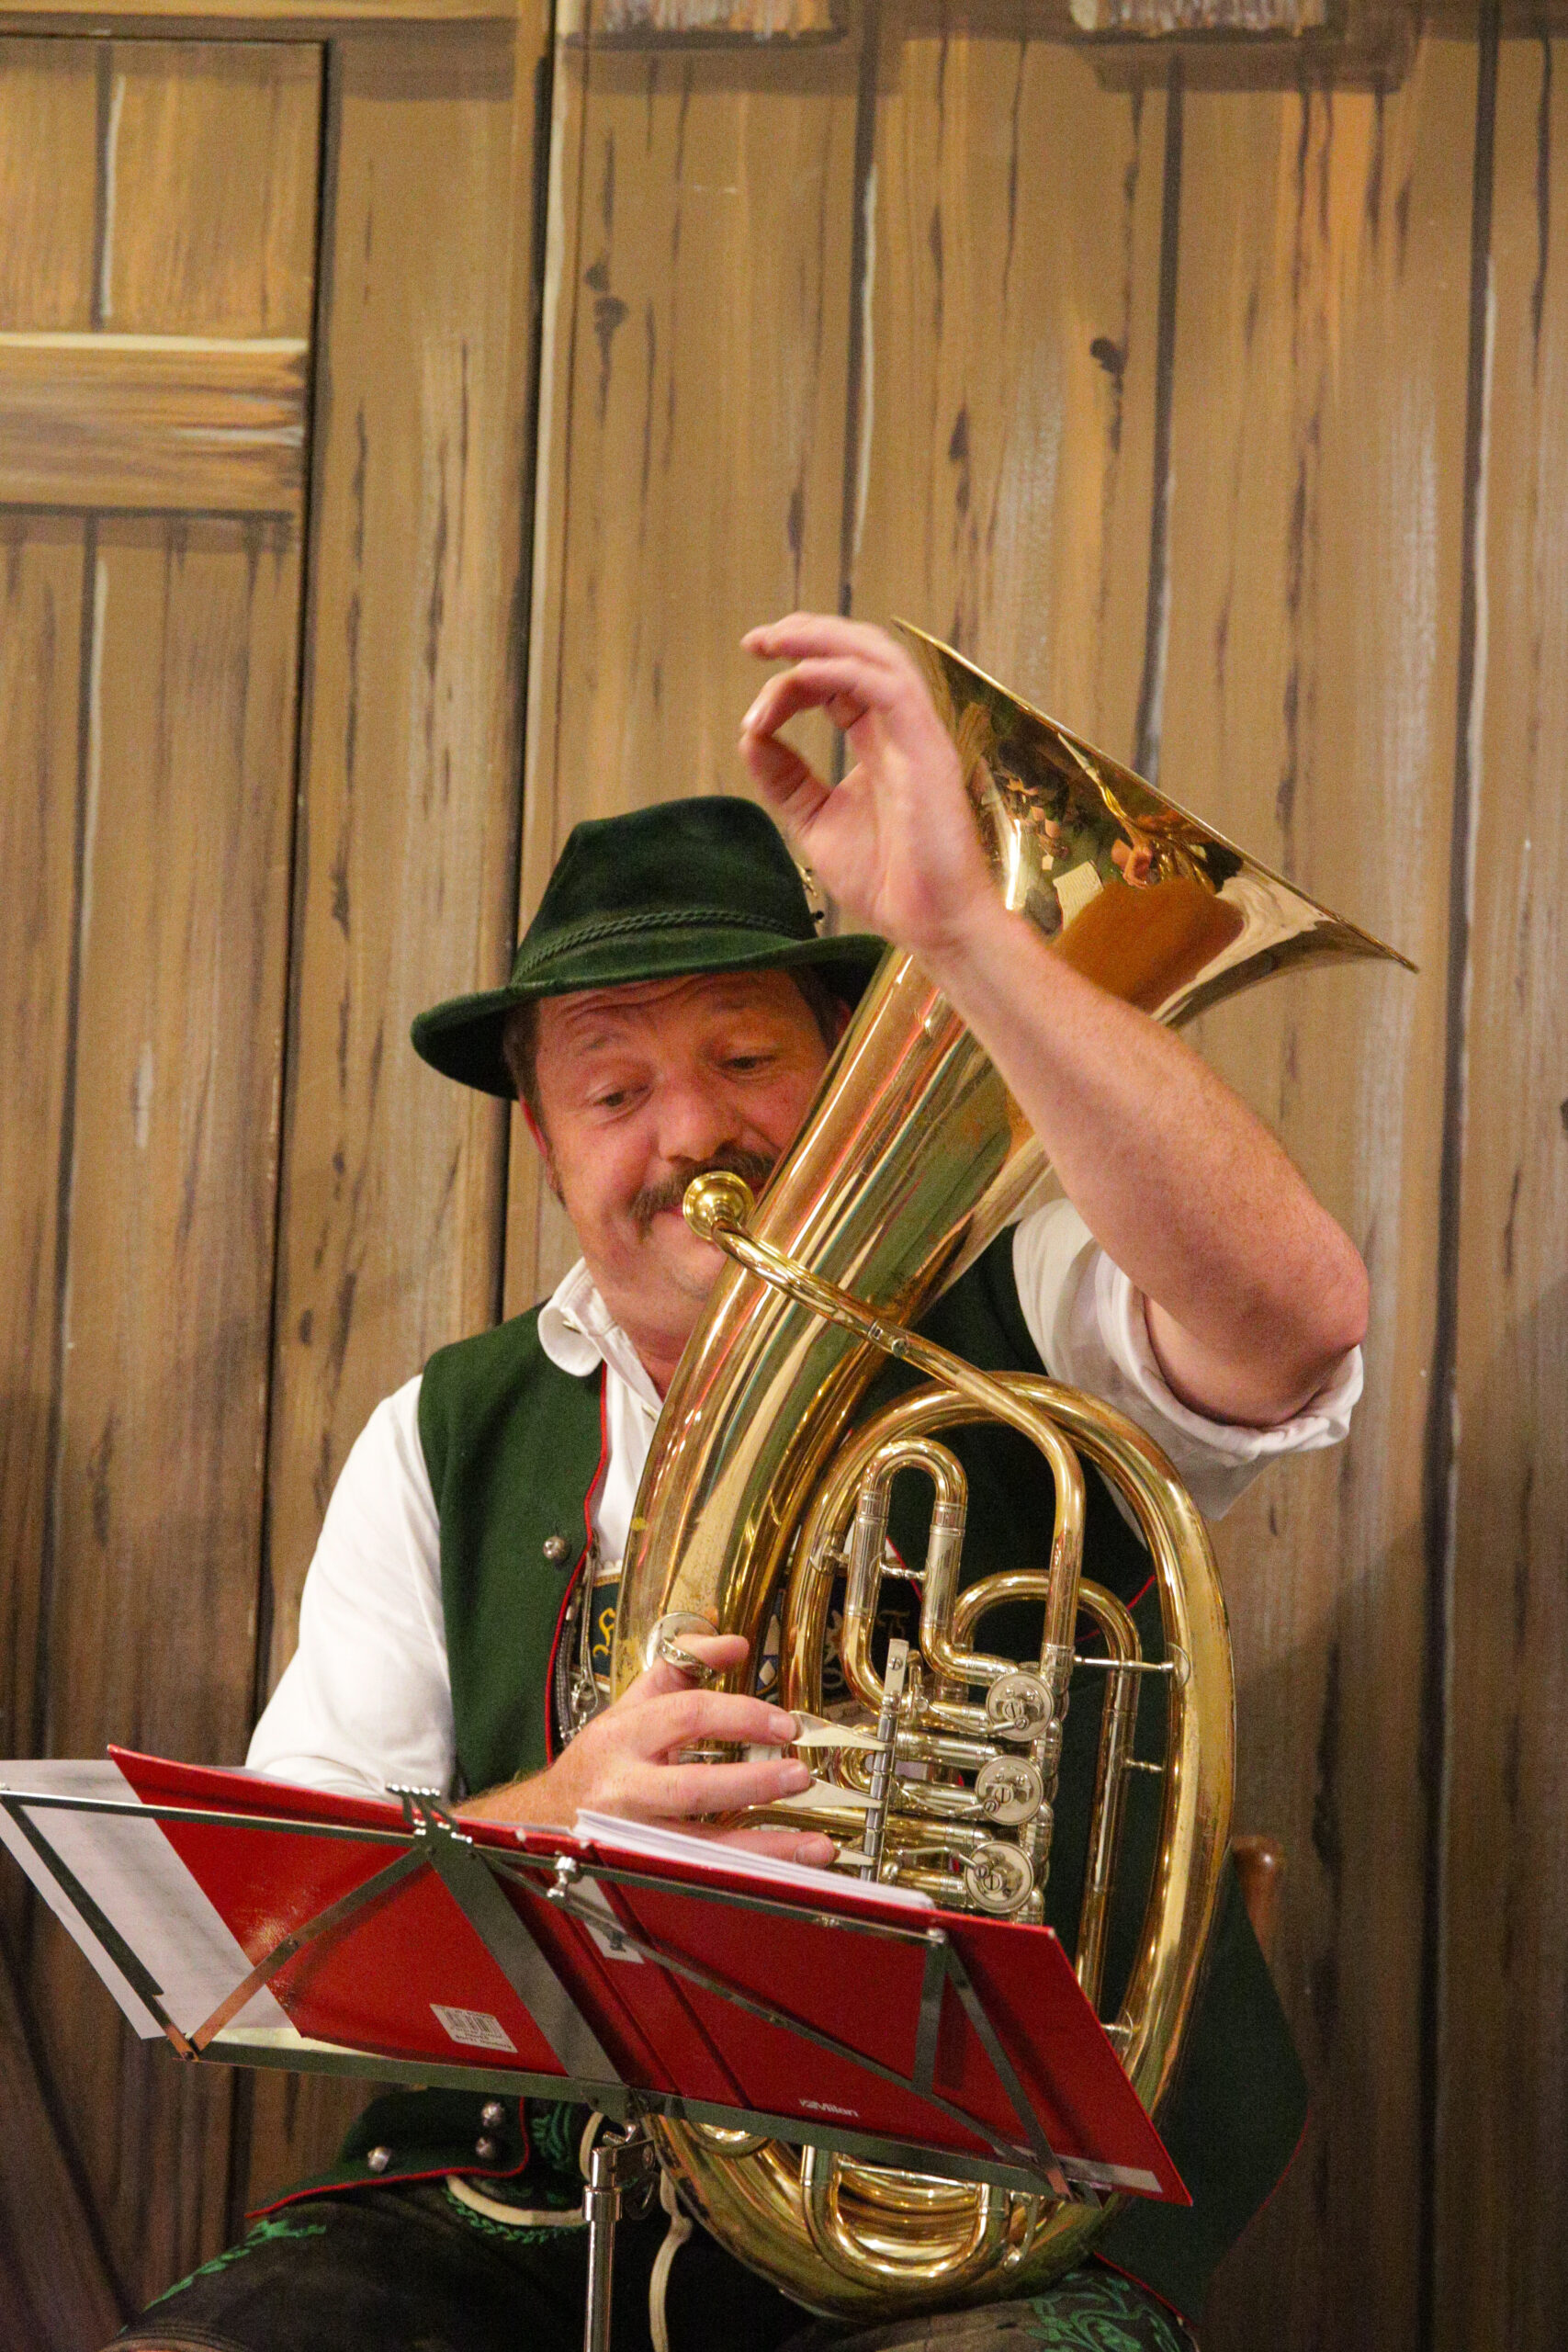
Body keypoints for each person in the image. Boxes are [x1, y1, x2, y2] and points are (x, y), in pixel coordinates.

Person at [115, 616, 1367, 2352]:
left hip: (983, 2229)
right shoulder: (447, 1430)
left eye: (746, 1058)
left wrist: (964, 935)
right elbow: (278, 1924)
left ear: (844, 1059)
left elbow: (1300, 1322)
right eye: (615, 1087)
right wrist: (556, 1825)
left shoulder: (1040, 1315)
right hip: (502, 2211)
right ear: (545, 1141)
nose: (688, 1133)